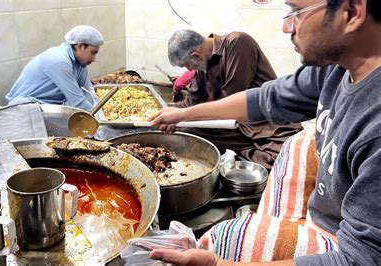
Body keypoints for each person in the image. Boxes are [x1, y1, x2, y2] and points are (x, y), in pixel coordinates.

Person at [149, 0, 380, 264]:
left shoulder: (375, 124)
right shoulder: (337, 69)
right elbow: (266, 98)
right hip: (326, 208)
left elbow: (360, 259)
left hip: (338, 239)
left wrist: (220, 264)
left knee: (222, 238)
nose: (285, 27)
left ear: (352, 11)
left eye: (296, 13)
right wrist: (181, 115)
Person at [166, 29, 302, 169]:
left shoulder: (238, 43)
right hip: (235, 123)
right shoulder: (203, 63)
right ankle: (237, 155)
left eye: (186, 65)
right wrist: (167, 113)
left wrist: (182, 116)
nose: (188, 70)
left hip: (266, 123)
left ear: (196, 55)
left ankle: (240, 156)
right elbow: (192, 101)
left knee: (283, 160)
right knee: (185, 134)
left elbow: (230, 102)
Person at [5, 25, 103, 110]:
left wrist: (104, 109)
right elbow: (78, 102)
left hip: (48, 106)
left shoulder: (79, 63)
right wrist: (103, 121)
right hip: (25, 107)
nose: (94, 59)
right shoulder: (59, 60)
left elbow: (89, 92)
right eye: (93, 52)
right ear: (80, 46)